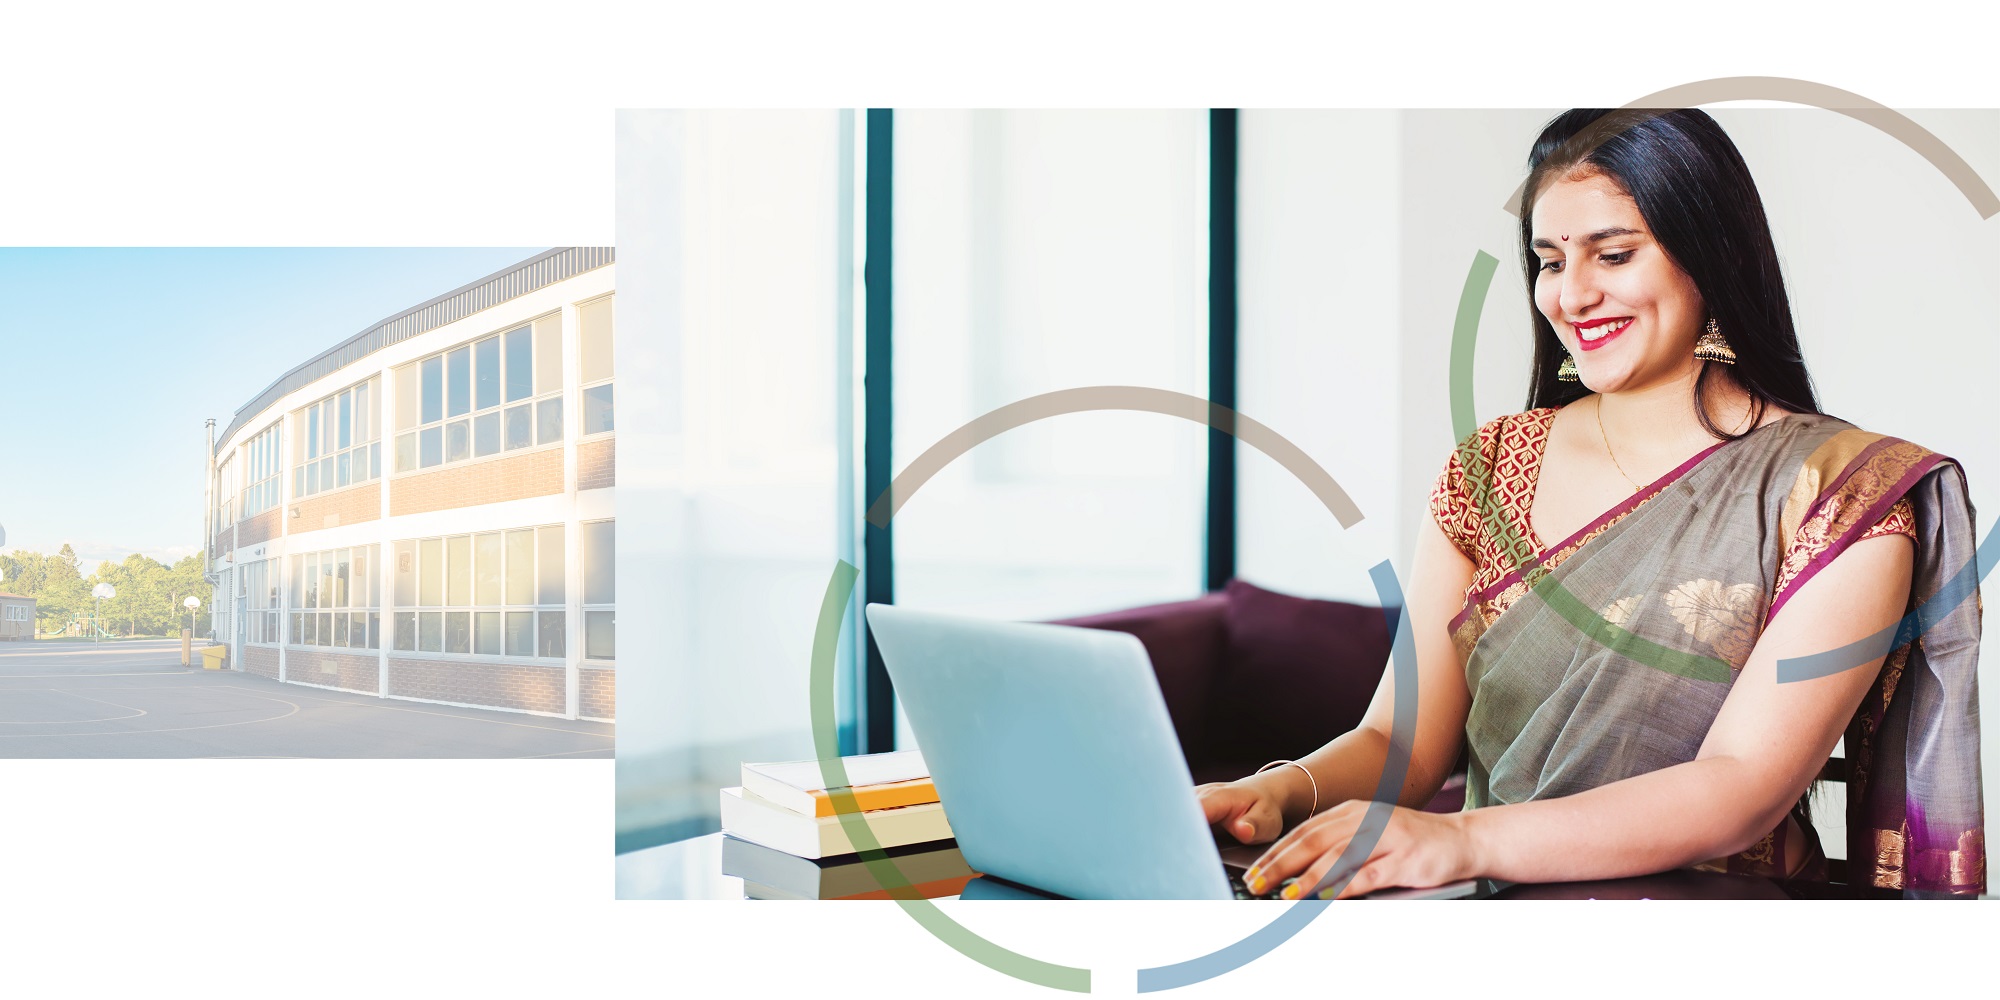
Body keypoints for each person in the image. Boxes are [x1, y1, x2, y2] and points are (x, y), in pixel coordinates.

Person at [1197, 108, 1985, 899]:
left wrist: (1462, 839)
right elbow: (1398, 740)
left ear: (1711, 258)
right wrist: (1278, 793)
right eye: (1548, 261)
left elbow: (1741, 788)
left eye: (1612, 254)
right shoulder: (1490, 467)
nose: (1570, 295)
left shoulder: (1840, 494)